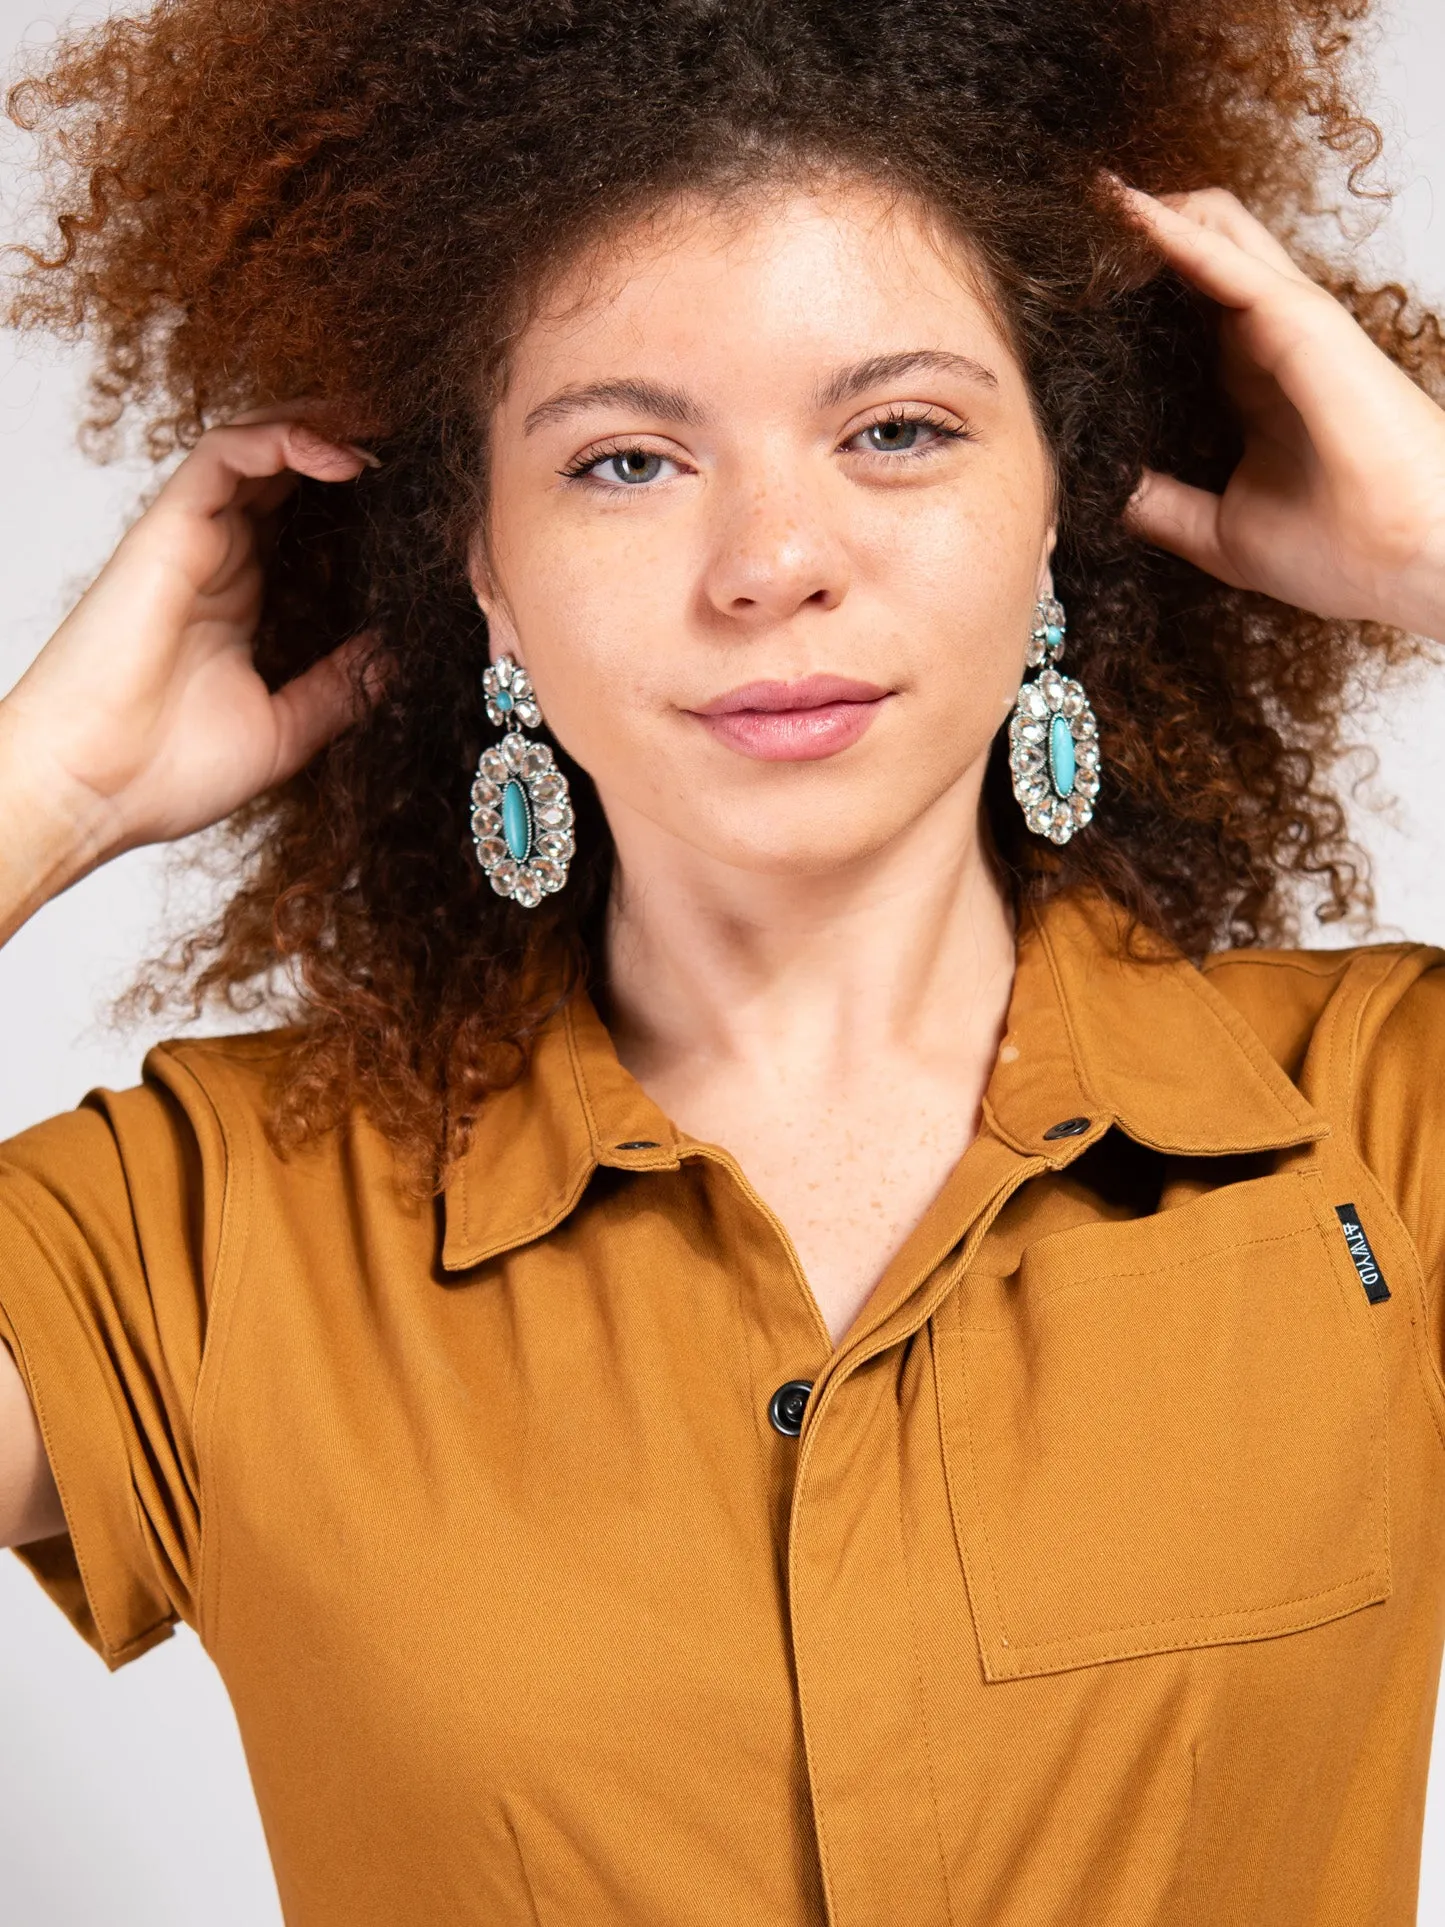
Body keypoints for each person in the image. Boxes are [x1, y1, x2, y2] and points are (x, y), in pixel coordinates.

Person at [2, 0, 1445, 1920]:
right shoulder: (206, 1227)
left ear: (1058, 513)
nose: (773, 557)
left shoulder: (1381, 1128)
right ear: (484, 574)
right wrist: (42, 794)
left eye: (900, 431)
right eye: (623, 462)